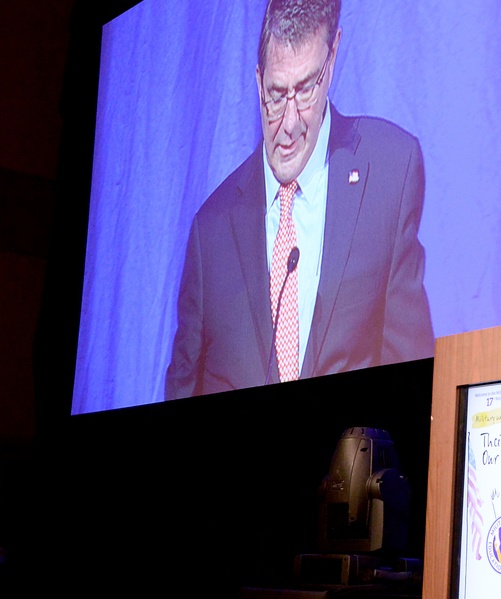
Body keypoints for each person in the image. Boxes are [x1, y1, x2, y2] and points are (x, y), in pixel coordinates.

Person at [165, 0, 434, 399]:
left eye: (306, 89)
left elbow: (411, 372)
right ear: (257, 82)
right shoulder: (211, 231)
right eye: (275, 95)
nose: (288, 125)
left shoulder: (390, 173)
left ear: (334, 56)